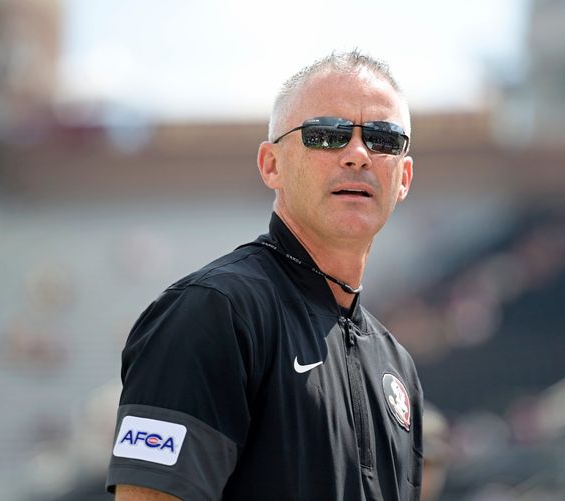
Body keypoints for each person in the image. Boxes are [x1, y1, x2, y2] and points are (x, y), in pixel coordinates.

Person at [106, 50, 422, 500]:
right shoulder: (212, 312)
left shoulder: (397, 366)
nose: (357, 155)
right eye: (326, 134)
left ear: (404, 177)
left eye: (382, 138)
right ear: (271, 164)